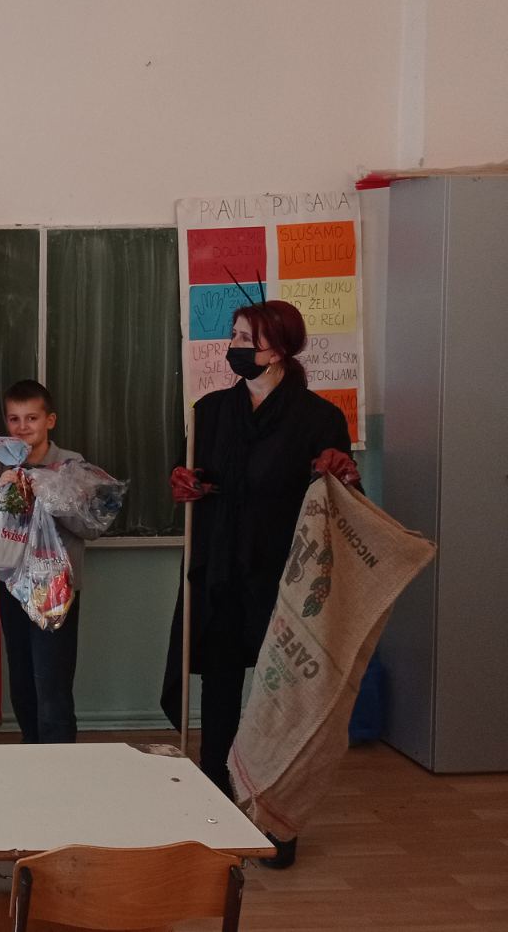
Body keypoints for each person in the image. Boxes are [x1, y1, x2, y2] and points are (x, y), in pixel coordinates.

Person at [162, 299, 360, 868]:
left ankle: (276, 819)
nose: (235, 346)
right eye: (233, 335)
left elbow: (342, 501)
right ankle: (214, 807)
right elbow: (192, 478)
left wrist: (343, 473)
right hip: (220, 568)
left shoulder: (319, 418)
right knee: (220, 688)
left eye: (246, 338)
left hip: (284, 575)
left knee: (282, 697)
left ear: (278, 349)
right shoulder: (210, 411)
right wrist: (184, 483)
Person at [0, 380, 99, 744]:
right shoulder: (2, 464)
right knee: (22, 678)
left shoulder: (72, 464)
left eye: (32, 418)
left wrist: (50, 493)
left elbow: (91, 527)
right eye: (14, 419)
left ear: (50, 420)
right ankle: (31, 751)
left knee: (52, 682)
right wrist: (4, 495)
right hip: (12, 586)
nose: (23, 427)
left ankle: (59, 760)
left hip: (57, 590)